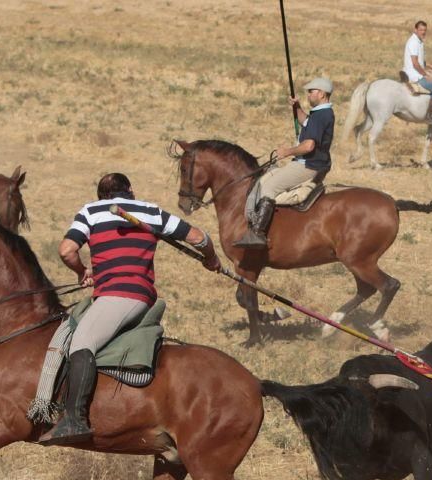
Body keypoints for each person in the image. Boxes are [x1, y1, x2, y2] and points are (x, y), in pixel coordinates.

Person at [38, 173, 220, 445]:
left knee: (81, 342)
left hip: (120, 295)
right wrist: (211, 259)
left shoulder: (91, 211)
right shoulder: (151, 211)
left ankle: (75, 420)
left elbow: (66, 250)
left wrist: (81, 271)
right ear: (130, 190)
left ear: (102, 196)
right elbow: (198, 238)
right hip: (136, 294)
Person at [234, 77, 335, 249]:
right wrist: (297, 107)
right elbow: (305, 122)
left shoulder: (321, 115)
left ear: (322, 94)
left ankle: (257, 234)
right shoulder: (321, 113)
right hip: (311, 163)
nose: (308, 94)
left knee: (269, 187)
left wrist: (287, 152)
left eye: (311, 91)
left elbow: (309, 145)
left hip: (307, 165)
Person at [403, 20, 432, 122]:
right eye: (421, 30)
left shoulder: (418, 41)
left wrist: (430, 66)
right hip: (414, 75)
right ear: (415, 30)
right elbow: (415, 64)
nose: (423, 32)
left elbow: (419, 61)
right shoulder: (413, 42)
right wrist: (425, 75)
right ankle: (431, 117)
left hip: (415, 71)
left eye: (425, 30)